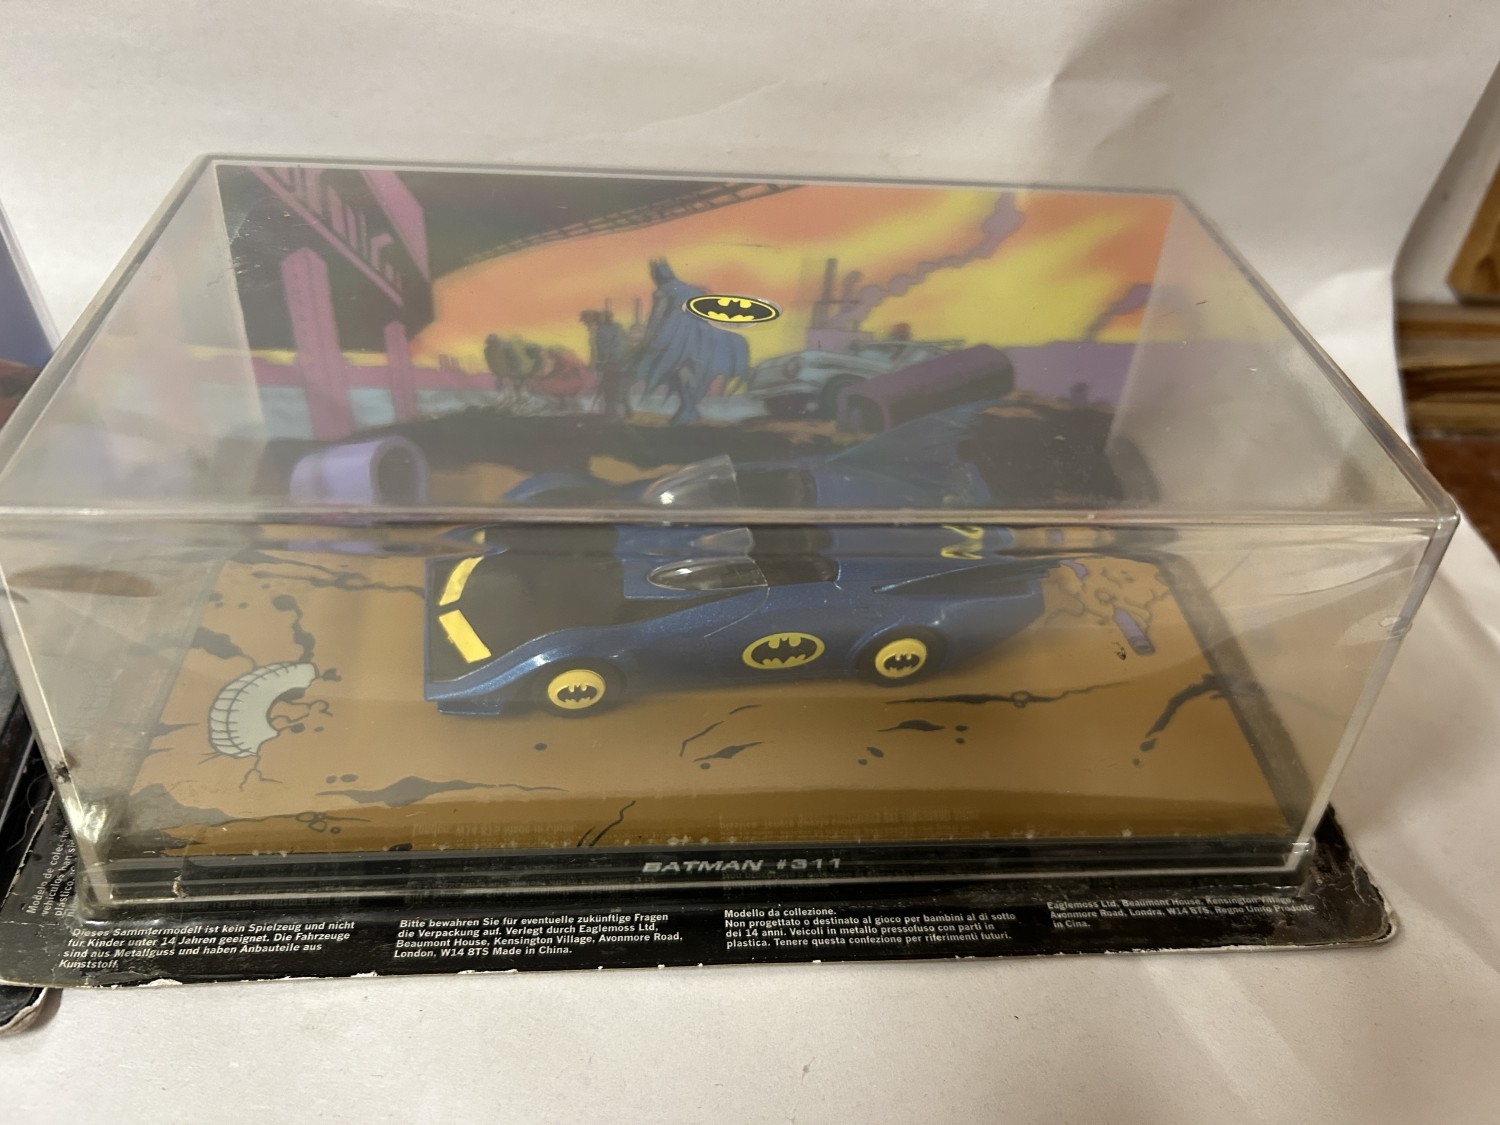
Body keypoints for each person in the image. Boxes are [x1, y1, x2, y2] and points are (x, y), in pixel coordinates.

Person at [633, 259, 748, 425]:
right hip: (700, 337)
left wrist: (649, 338)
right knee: (688, 372)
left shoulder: (662, 291)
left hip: (676, 337)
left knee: (673, 370)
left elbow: (656, 316)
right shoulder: (692, 290)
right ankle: (689, 409)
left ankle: (688, 409)